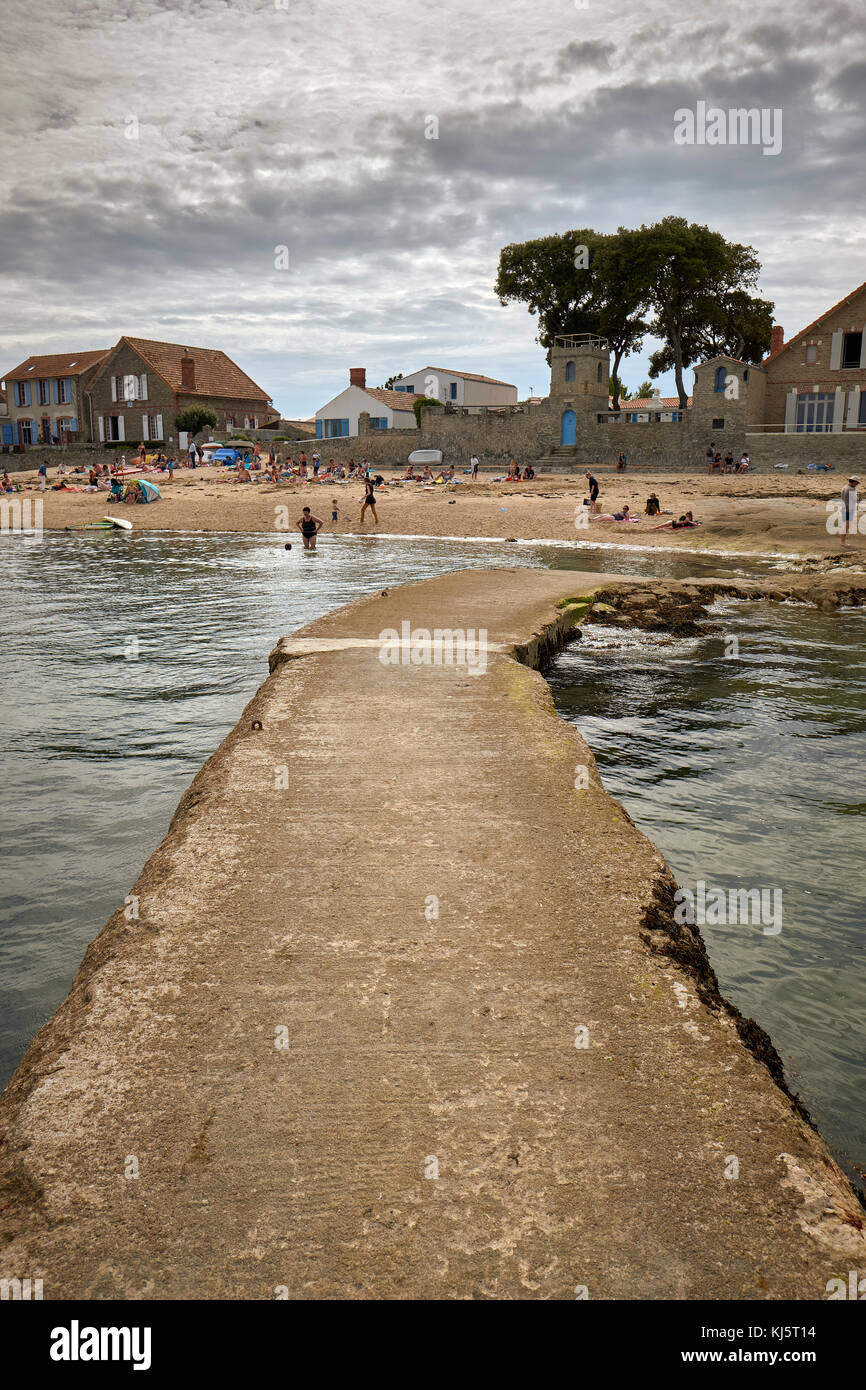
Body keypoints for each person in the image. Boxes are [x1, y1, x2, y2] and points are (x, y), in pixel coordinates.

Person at [840, 478, 859, 546]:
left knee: (846, 525)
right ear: (853, 482)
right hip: (848, 509)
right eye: (856, 483)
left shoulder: (845, 487)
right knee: (846, 526)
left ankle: (842, 541)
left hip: (844, 508)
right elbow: (854, 499)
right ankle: (842, 542)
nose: (857, 484)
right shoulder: (850, 489)